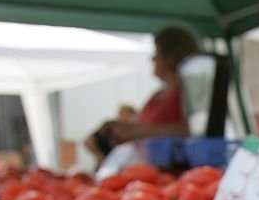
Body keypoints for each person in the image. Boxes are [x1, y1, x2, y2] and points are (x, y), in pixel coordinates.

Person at [85, 26, 201, 163]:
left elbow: (194, 130)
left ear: (171, 54)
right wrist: (122, 129)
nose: (153, 58)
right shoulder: (157, 95)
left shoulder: (189, 94)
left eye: (157, 52)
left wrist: (135, 131)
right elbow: (141, 127)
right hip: (147, 168)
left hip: (175, 170)